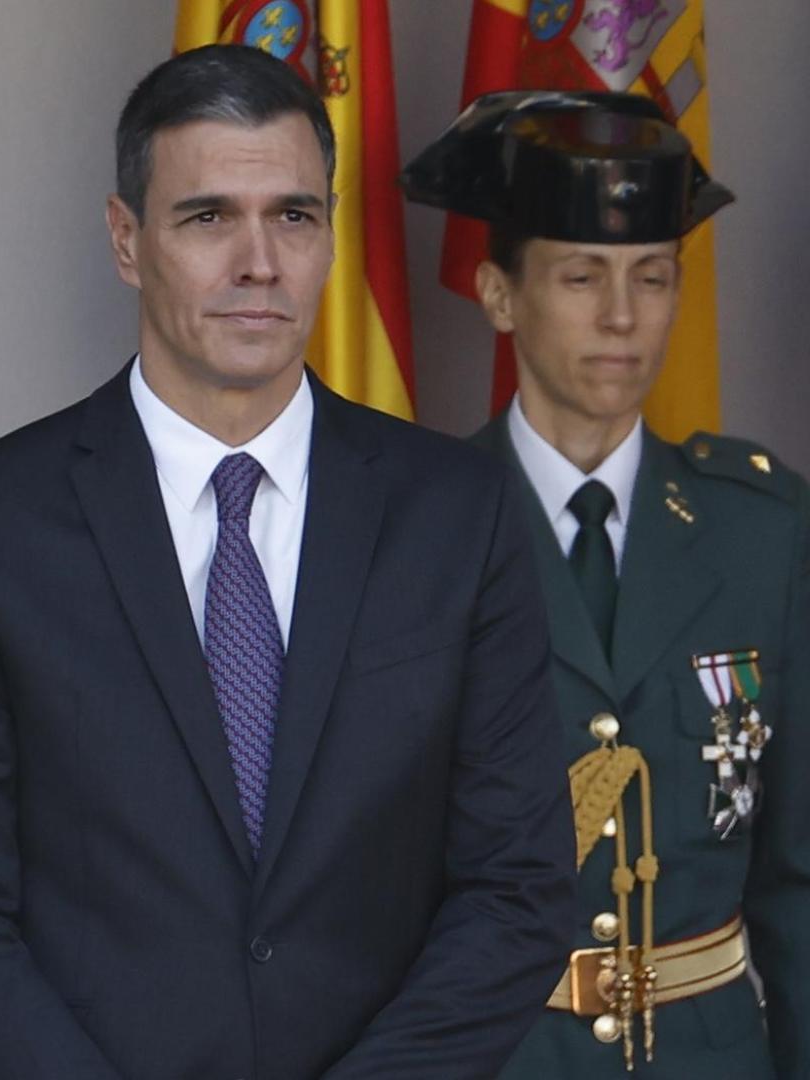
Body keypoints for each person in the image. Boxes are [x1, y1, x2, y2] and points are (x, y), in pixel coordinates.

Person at [0, 45, 577, 1079]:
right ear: (126, 239)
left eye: (293, 215)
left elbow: (516, 889)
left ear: (331, 236)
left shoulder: (457, 516)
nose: (260, 262)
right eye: (208, 218)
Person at [404, 90, 810, 1078]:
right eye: (583, 276)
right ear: (499, 294)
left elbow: (799, 881)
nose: (624, 316)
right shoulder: (411, 538)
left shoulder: (764, 532)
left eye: (653, 277)